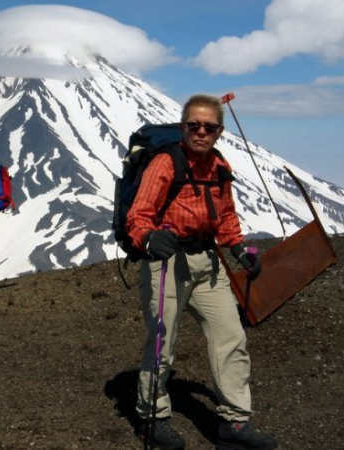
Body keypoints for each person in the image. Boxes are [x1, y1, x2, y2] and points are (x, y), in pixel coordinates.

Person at [126, 94, 277, 450]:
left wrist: (240, 249)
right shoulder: (165, 163)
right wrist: (150, 238)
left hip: (207, 263)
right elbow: (138, 215)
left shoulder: (219, 166)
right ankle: (153, 417)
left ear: (219, 132)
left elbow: (225, 216)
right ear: (183, 128)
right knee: (162, 343)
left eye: (209, 127)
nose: (201, 132)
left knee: (231, 338)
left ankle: (234, 423)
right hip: (167, 262)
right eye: (194, 125)